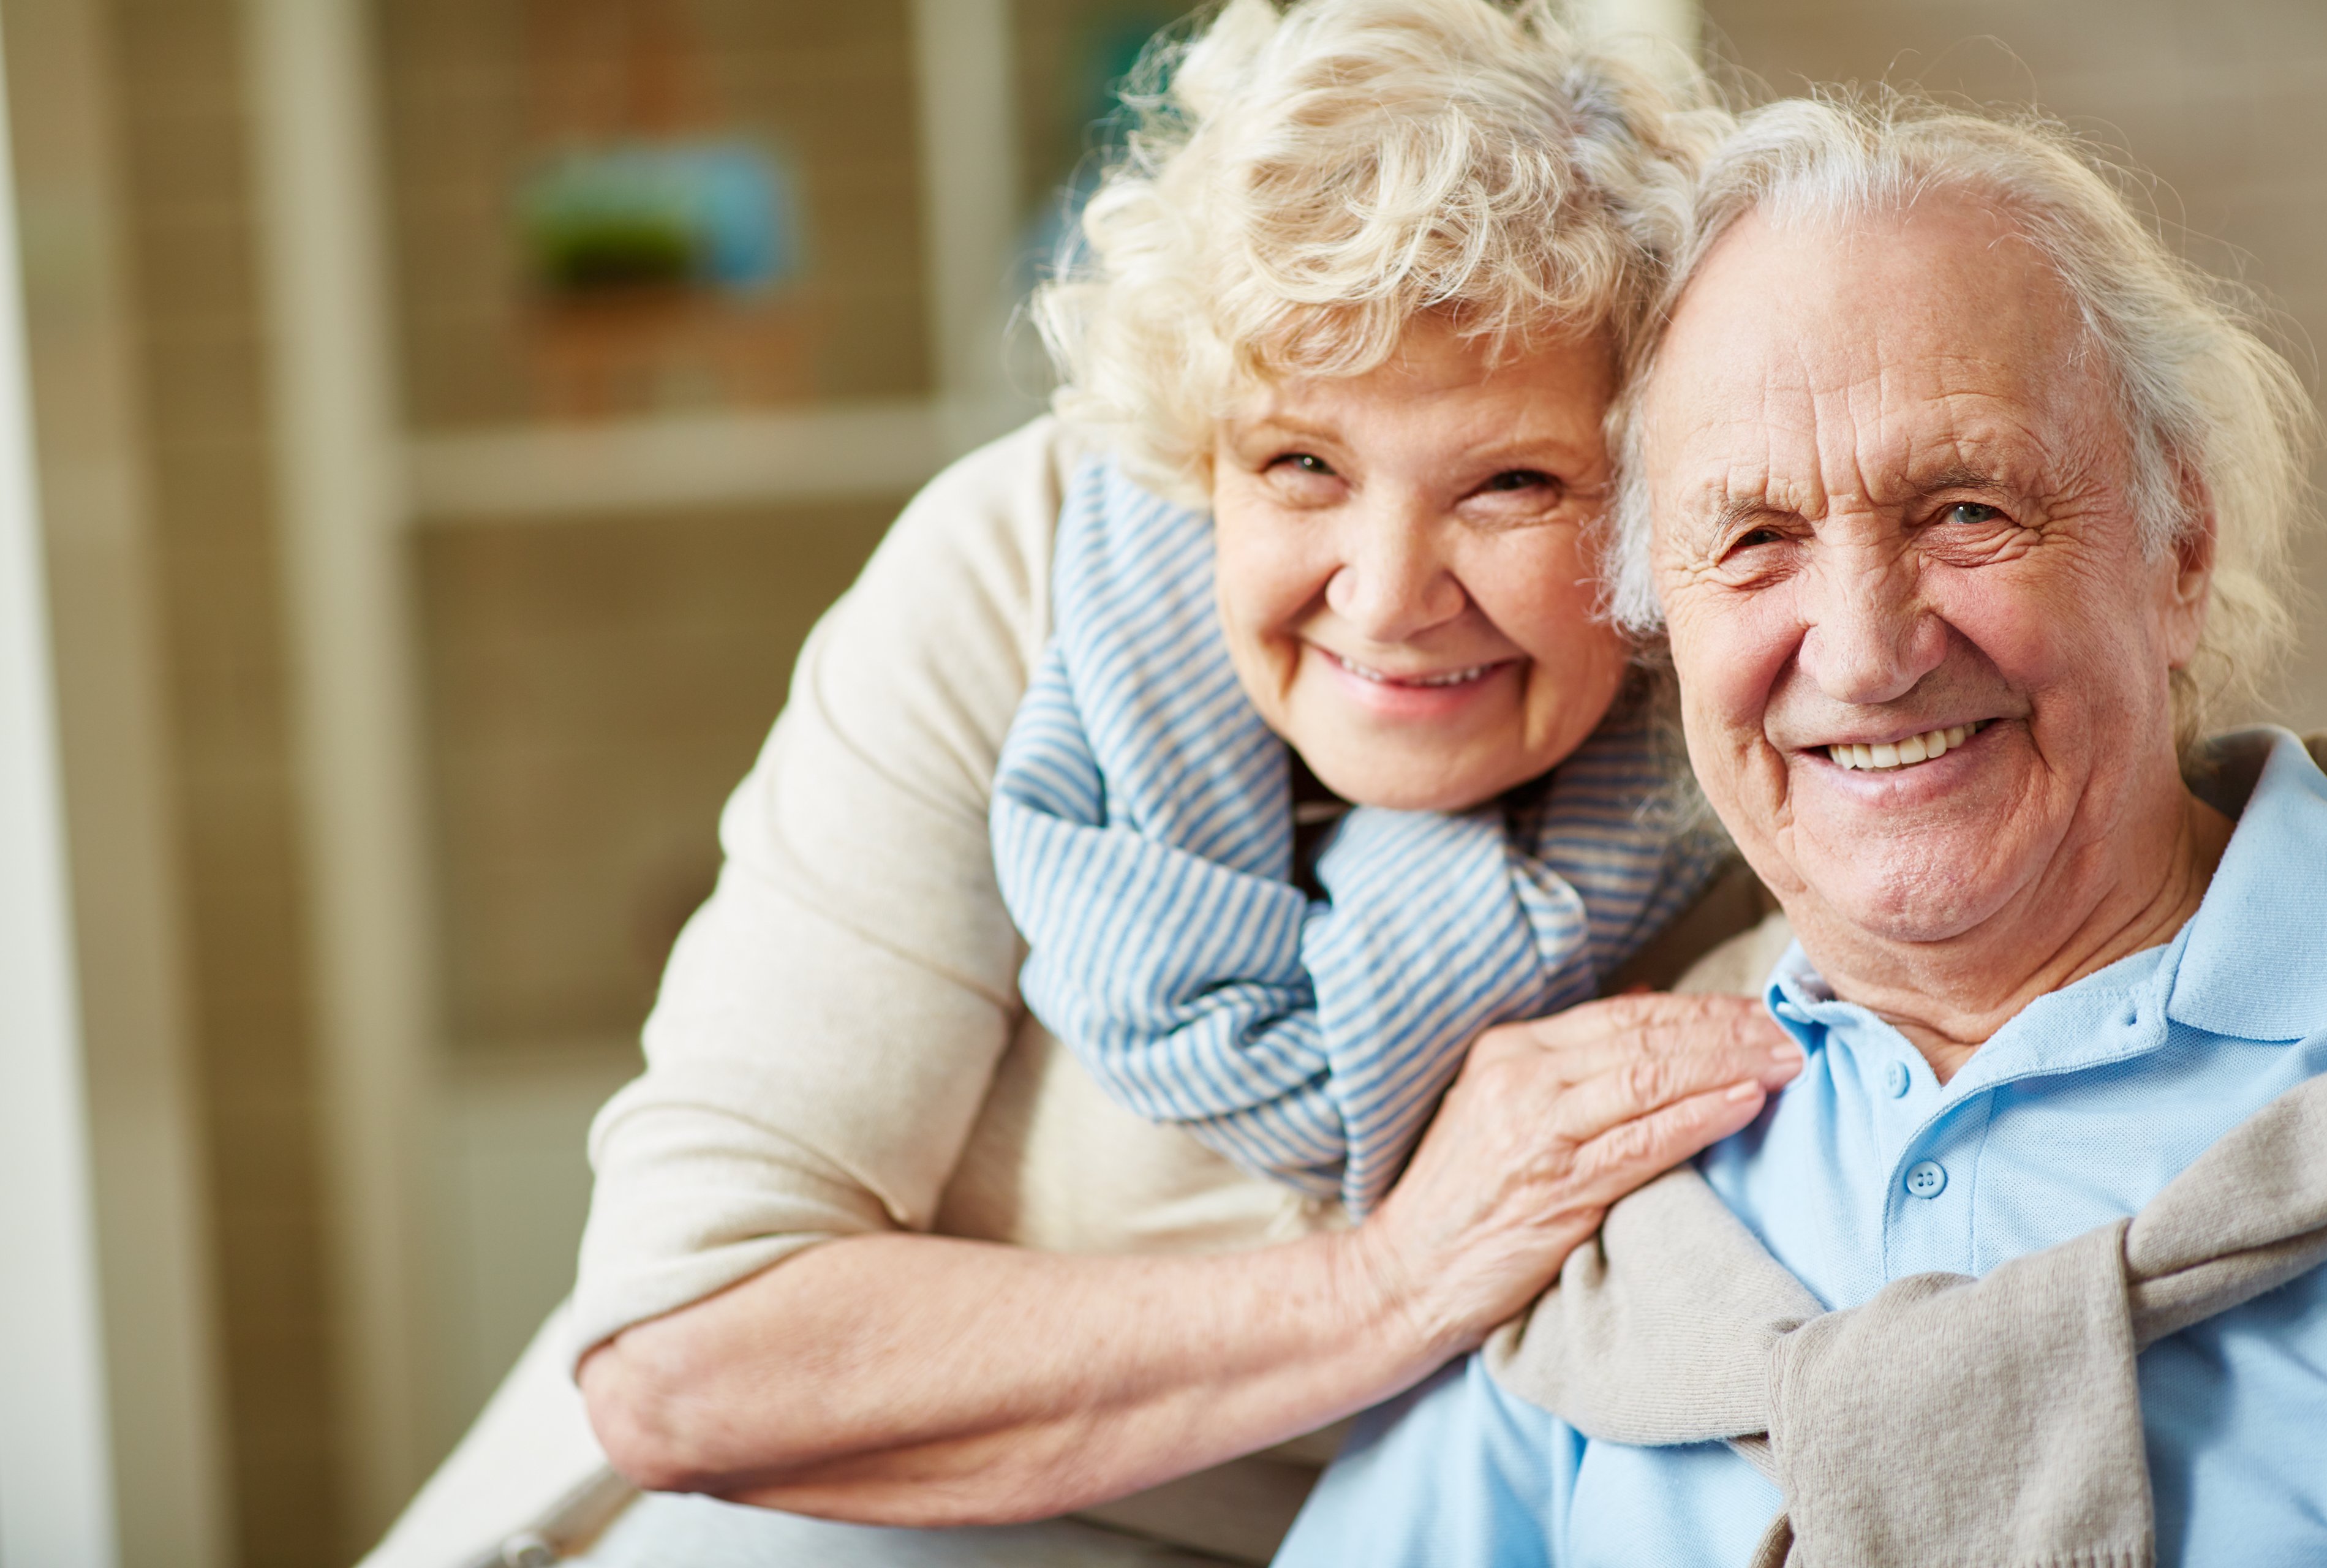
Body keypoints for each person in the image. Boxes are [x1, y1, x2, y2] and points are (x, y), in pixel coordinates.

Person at [371, 7, 1808, 1566]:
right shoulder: (1017, 575)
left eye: (1511, 481)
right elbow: (689, 1353)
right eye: (1301, 465)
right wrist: (1393, 1279)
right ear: (1203, 449)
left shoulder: (1759, 702)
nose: (1388, 596)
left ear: (1661, 495)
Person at [1274, 90, 2327, 1567]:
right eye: (1755, 540)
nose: (1861, 650)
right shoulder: (1615, 1195)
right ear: (1661, 617)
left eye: (1965, 509)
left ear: (2178, 550)